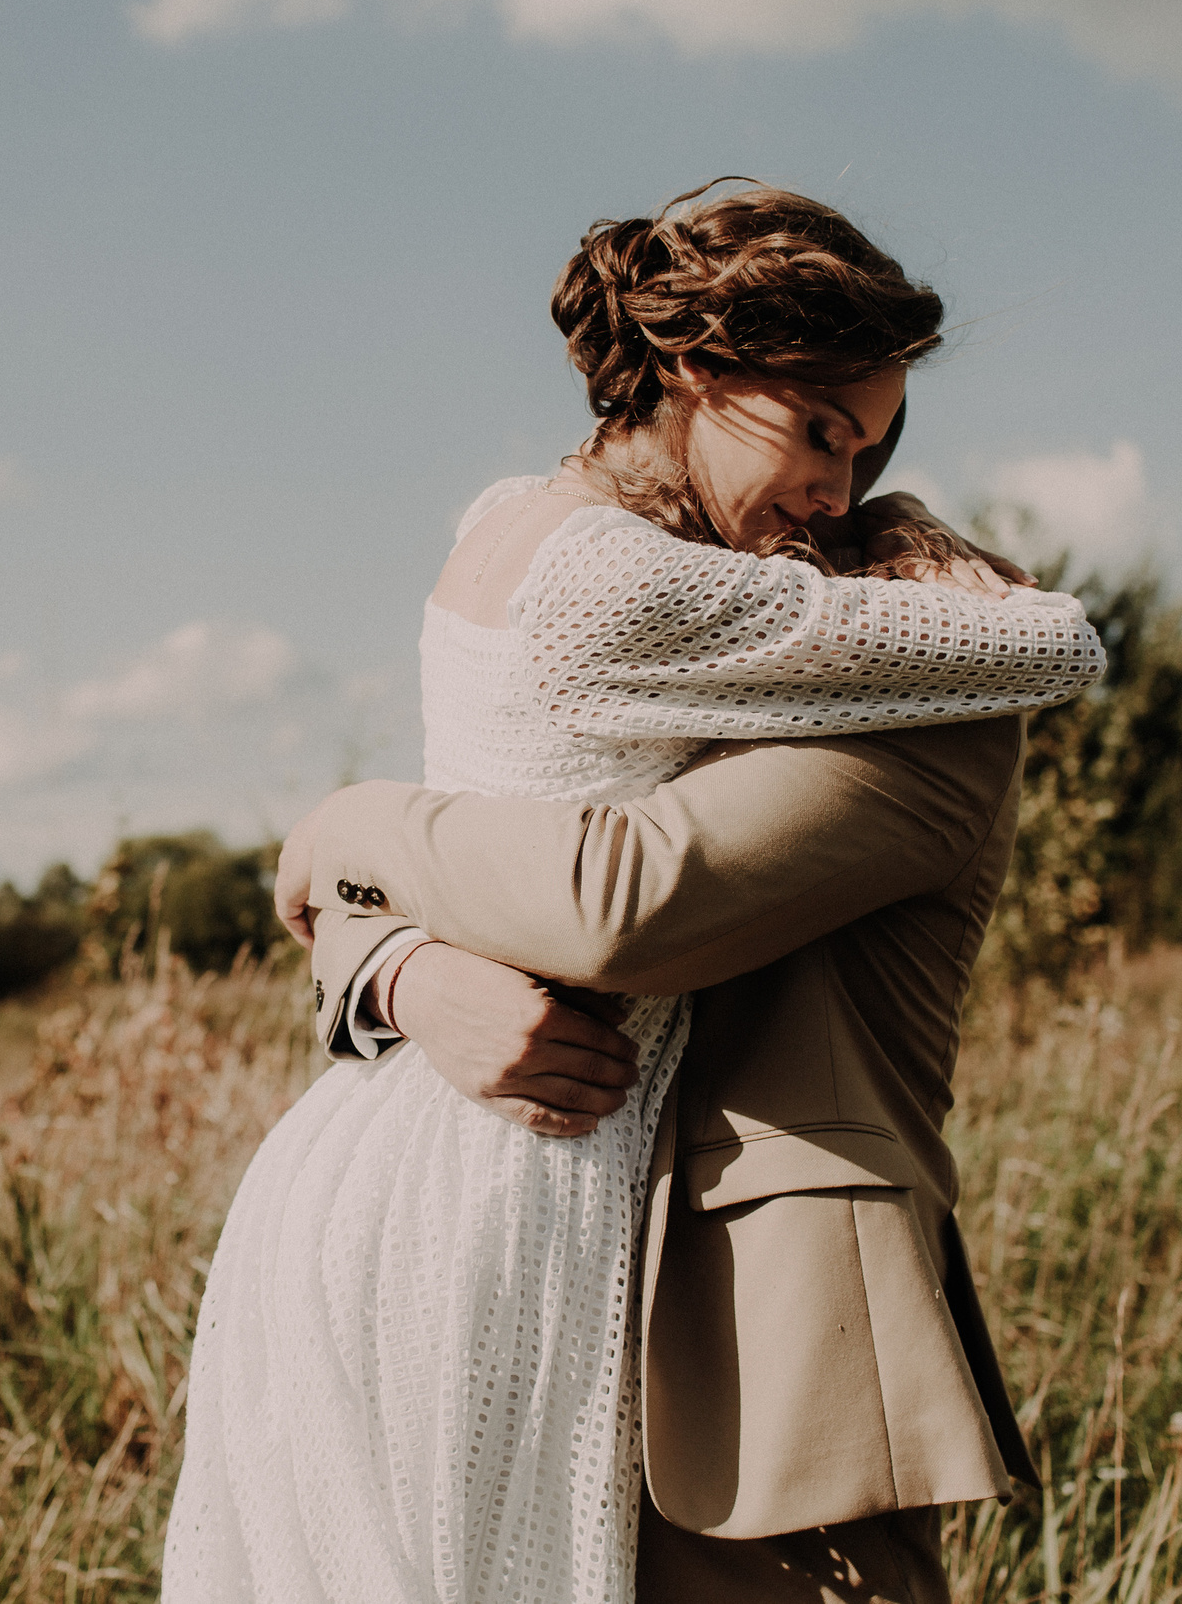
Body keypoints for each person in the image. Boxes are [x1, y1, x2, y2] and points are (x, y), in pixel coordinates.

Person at [161, 183, 1104, 1604]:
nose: (834, 502)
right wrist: (401, 957)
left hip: (438, 1181)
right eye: (820, 435)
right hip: (512, 1185)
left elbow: (559, 862)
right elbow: (602, 882)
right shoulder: (634, 584)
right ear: (696, 372)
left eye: (870, 462)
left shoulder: (525, 525)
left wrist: (365, 869)